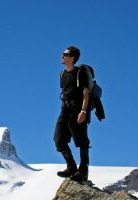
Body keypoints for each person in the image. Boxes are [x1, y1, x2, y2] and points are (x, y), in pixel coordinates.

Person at [54, 46, 91, 182]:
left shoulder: (80, 73)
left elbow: (85, 93)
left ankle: (83, 170)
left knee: (82, 141)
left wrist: (83, 111)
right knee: (58, 140)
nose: (62, 56)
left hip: (78, 109)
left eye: (65, 54)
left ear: (72, 58)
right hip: (65, 110)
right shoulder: (62, 74)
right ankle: (71, 167)